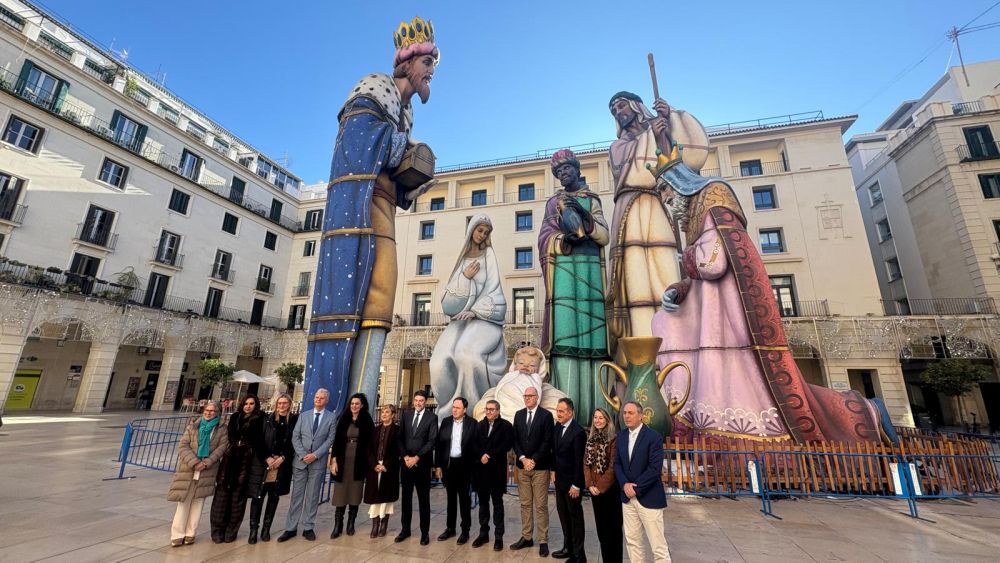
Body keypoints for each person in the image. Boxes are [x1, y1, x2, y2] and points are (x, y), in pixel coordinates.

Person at [649, 118, 892, 444]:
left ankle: (858, 411)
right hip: (710, 314)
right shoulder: (695, 213)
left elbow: (714, 261)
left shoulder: (713, 199)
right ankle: (695, 415)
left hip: (729, 321)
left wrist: (688, 259)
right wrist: (678, 289)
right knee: (665, 323)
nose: (667, 202)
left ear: (680, 183)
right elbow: (701, 276)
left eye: (666, 192)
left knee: (736, 377)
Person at [303, 16, 440, 415]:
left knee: (382, 294)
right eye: (427, 63)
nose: (431, 72)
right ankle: (341, 406)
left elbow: (395, 168)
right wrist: (405, 148)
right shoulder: (373, 88)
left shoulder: (404, 112)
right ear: (407, 63)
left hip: (382, 205)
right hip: (358, 208)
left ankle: (359, 403)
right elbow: (358, 140)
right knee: (366, 293)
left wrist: (413, 176)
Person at [605, 91, 681, 357]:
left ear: (636, 106)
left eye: (621, 105)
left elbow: (674, 164)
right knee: (634, 274)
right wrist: (652, 134)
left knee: (665, 264)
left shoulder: (656, 128)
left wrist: (667, 123)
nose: (618, 111)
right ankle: (640, 351)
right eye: (613, 110)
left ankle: (676, 344)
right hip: (630, 208)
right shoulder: (617, 146)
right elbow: (627, 166)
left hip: (655, 203)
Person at [539, 148, 611, 426]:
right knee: (567, 339)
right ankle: (567, 418)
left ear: (577, 169)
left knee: (595, 340)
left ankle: (598, 417)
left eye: (567, 168)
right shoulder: (553, 202)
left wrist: (583, 213)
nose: (563, 174)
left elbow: (603, 235)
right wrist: (562, 238)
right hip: (566, 270)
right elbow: (545, 236)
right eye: (559, 172)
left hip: (590, 268)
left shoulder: (592, 200)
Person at [430, 214, 507, 422]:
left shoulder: (489, 255)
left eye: (486, 232)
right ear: (472, 229)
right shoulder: (462, 261)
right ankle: (449, 411)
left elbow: (494, 289)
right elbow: (448, 303)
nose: (482, 235)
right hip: (459, 321)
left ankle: (476, 412)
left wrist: (476, 311)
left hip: (484, 319)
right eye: (480, 230)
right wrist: (465, 278)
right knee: (439, 361)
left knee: (467, 356)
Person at [277, 388, 336, 542]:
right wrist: (303, 455)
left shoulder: (331, 418)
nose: (318, 400)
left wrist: (315, 455)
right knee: (297, 495)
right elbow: (295, 437)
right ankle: (291, 527)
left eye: (321, 398)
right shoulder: (303, 416)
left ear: (326, 400)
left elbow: (330, 439)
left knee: (312, 495)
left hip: (317, 462)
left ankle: (308, 526)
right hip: (300, 462)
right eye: (316, 397)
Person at [614, 401, 670, 562]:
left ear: (641, 416)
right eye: (625, 413)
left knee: (658, 546)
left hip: (649, 498)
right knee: (633, 542)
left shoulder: (653, 437)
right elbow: (617, 463)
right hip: (627, 498)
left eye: (630, 413)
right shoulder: (621, 436)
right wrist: (625, 484)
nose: (626, 416)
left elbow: (654, 468)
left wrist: (636, 488)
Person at [167, 401, 228, 547]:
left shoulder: (222, 429)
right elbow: (183, 445)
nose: (209, 413)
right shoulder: (193, 425)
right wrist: (195, 462)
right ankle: (177, 534)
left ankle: (190, 533)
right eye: (207, 410)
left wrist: (207, 462)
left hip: (207, 470)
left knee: (198, 503)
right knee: (183, 501)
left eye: (212, 411)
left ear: (218, 413)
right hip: (189, 468)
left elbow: (222, 447)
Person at [210, 394, 264, 543]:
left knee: (237, 500)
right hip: (230, 460)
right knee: (221, 498)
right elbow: (229, 436)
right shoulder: (235, 417)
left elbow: (259, 441)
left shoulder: (260, 419)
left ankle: (231, 531)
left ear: (256, 405)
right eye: (246, 403)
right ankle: (217, 530)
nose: (248, 406)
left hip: (246, 461)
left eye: (252, 403)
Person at [247, 393, 298, 543]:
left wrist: (283, 457)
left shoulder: (294, 421)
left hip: (281, 465)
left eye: (284, 403)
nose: (281, 406)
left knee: (273, 496)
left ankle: (266, 528)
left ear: (289, 404)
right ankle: (253, 529)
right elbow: (257, 440)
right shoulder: (266, 420)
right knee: (258, 496)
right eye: (279, 403)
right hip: (265, 464)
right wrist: (267, 457)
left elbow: (293, 441)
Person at [511, 384, 553, 557]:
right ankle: (527, 537)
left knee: (541, 505)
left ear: (536, 397)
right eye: (525, 396)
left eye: (530, 396)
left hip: (540, 468)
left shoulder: (546, 416)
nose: (527, 398)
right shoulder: (519, 415)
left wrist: (534, 460)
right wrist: (522, 458)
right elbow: (515, 440)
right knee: (525, 504)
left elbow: (547, 441)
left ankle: (543, 540)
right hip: (522, 468)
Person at [475, 345, 565, 421]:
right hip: (504, 402)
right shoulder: (510, 376)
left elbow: (536, 395)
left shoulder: (535, 378)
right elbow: (500, 387)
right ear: (514, 365)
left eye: (532, 365)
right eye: (521, 363)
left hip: (520, 403)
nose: (525, 366)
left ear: (539, 369)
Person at [329, 393, 374, 538]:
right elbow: (336, 441)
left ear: (362, 405)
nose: (354, 406)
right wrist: (334, 460)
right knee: (340, 494)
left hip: (358, 461)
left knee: (355, 493)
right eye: (352, 403)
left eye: (357, 404)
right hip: (343, 460)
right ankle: (337, 525)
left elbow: (370, 443)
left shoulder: (367, 420)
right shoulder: (344, 419)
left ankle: (350, 524)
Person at [396, 389, 438, 545]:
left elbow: (431, 441)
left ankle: (424, 533)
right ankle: (405, 530)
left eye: (421, 400)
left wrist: (417, 457)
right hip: (406, 463)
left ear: (425, 402)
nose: (418, 403)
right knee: (406, 498)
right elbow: (400, 438)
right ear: (413, 401)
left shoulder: (432, 418)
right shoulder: (406, 416)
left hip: (421, 464)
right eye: (416, 400)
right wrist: (405, 456)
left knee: (423, 500)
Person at [472, 399, 513, 551]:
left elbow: (506, 445)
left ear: (498, 411)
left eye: (491, 409)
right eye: (487, 409)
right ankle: (483, 534)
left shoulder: (506, 426)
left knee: (497, 505)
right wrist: (480, 455)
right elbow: (473, 443)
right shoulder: (479, 425)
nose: (488, 412)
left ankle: (498, 537)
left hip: (496, 472)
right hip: (481, 472)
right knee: (483, 505)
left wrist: (489, 455)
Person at [434, 397, 476, 544]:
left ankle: (465, 531)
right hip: (449, 466)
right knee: (451, 499)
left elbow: (475, 447)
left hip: (464, 467)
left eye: (458, 408)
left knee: (464, 500)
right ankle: (450, 528)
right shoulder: (446, 422)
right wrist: (438, 466)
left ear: (464, 409)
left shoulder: (472, 423)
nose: (454, 410)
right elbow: (439, 446)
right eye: (453, 407)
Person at [584, 407, 623, 562]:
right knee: (602, 530)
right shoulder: (591, 438)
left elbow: (612, 467)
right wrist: (590, 485)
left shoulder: (613, 439)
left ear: (607, 420)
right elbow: (586, 464)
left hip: (609, 491)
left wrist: (599, 487)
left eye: (601, 418)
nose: (597, 420)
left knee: (613, 530)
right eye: (595, 417)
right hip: (594, 491)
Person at [552, 398, 587, 562]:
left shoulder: (578, 432)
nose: (558, 414)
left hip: (572, 484)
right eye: (557, 410)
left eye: (561, 411)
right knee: (563, 515)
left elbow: (580, 461)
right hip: (560, 481)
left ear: (570, 412)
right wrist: (553, 470)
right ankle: (568, 547)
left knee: (575, 518)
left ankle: (579, 554)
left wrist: (576, 484)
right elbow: (555, 452)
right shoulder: (557, 427)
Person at [365, 404, 400, 538]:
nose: (384, 414)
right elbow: (369, 450)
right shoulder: (375, 430)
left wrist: (386, 465)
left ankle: (384, 525)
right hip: (375, 468)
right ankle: (375, 525)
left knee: (386, 498)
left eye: (387, 412)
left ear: (393, 414)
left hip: (388, 468)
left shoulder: (397, 430)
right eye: (382, 412)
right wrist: (374, 464)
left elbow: (398, 451)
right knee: (375, 498)